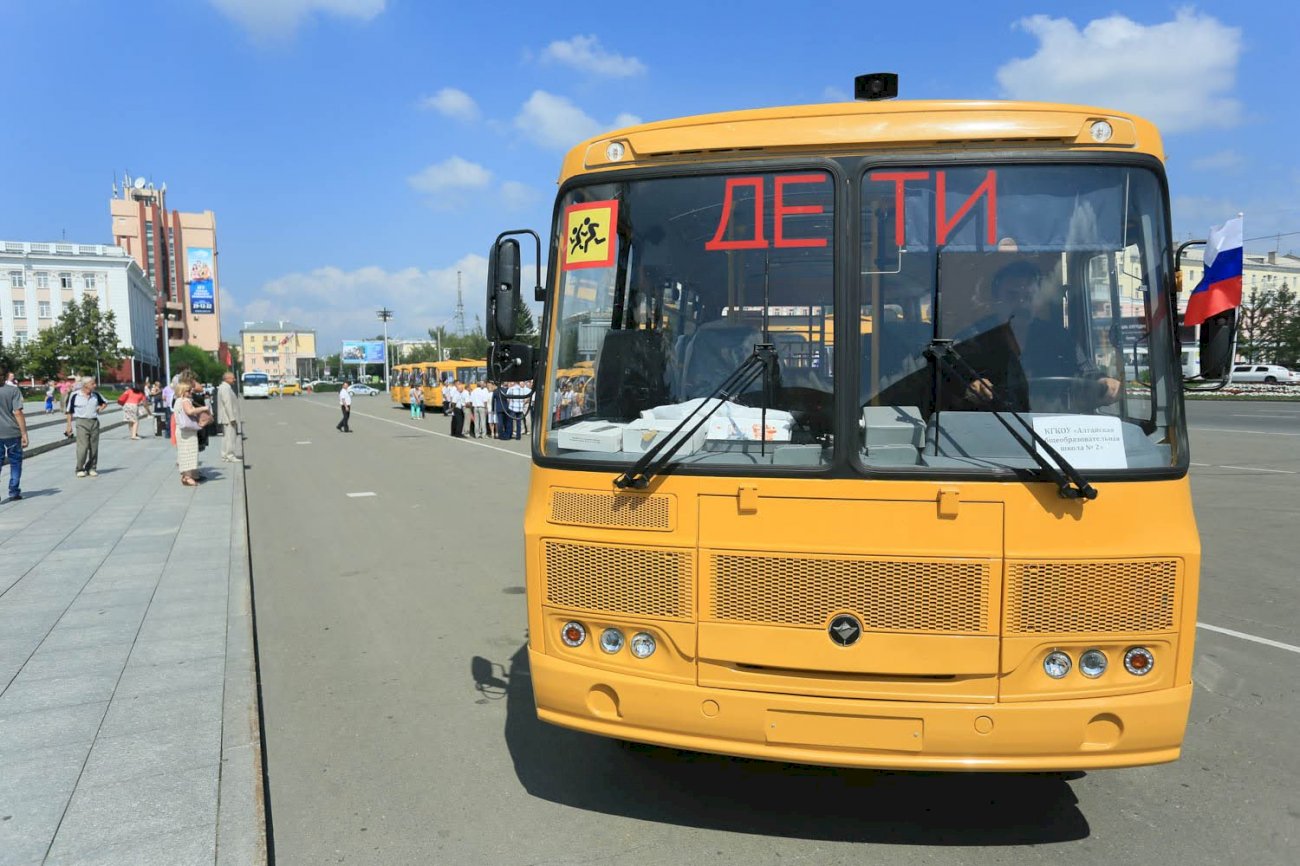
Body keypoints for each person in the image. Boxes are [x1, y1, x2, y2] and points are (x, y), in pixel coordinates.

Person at [958, 261, 1121, 412]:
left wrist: (1103, 382)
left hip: (1049, 431)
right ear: (996, 301)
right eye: (1012, 296)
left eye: (1028, 296)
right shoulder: (972, 338)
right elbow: (948, 381)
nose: (1022, 303)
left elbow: (1084, 371)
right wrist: (970, 388)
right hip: (987, 430)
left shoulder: (1058, 337)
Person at [64, 376, 108, 477]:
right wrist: (69, 426)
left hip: (94, 422)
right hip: (81, 422)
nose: (95, 385)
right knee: (82, 447)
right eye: (93, 384)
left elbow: (105, 403)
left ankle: (92, 467)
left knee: (94, 447)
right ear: (86, 385)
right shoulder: (75, 395)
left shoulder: (96, 395)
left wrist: (100, 409)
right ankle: (80, 468)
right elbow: (69, 412)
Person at [0, 366, 28, 501]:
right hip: (12, 432)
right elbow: (17, 412)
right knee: (15, 462)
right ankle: (14, 491)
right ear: (5, 376)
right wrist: (24, 434)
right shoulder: (13, 390)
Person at [172, 381, 205, 486]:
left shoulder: (177, 400)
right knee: (189, 453)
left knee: (183, 452)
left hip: (181, 429)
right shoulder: (185, 400)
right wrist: (203, 408)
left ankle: (186, 475)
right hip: (188, 431)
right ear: (182, 391)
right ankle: (187, 477)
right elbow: (190, 411)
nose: (191, 391)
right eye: (188, 390)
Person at [217, 372, 243, 463]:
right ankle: (230, 455)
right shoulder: (225, 388)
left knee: (226, 437)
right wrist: (232, 418)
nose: (234, 380)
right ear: (227, 379)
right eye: (233, 378)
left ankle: (225, 455)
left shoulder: (225, 387)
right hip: (228, 418)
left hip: (227, 417)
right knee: (230, 437)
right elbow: (227, 404)